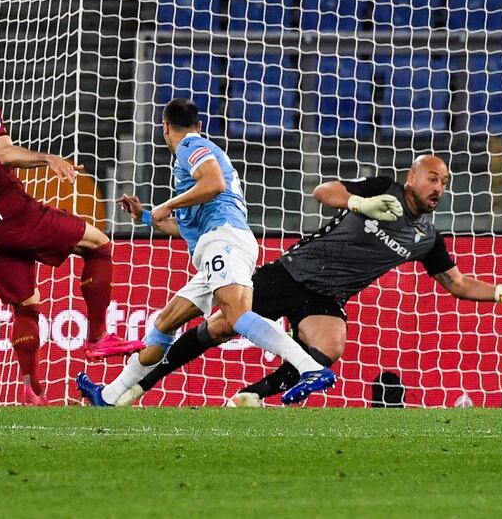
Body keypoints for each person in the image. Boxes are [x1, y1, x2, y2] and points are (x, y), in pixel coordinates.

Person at [112, 155, 502, 407]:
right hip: (292, 272)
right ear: (412, 178)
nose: (439, 186)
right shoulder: (384, 188)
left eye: (445, 182)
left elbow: (456, 283)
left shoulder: (427, 238)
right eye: (432, 178)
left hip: (328, 295)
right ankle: (141, 384)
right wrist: (362, 203)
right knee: (222, 325)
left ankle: (251, 397)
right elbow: (323, 192)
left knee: (331, 345)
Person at [75, 98, 335, 406]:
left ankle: (311, 368)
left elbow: (214, 183)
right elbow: (185, 227)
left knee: (237, 315)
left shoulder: (190, 146)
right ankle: (109, 396)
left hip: (223, 240)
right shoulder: (193, 161)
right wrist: (146, 216)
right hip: (217, 244)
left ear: (165, 127)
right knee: (165, 324)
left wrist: (166, 205)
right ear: (199, 123)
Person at [0, 44, 142, 405]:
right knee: (99, 243)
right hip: (14, 215)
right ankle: (98, 337)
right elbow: (5, 152)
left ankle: (32, 389)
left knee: (26, 305)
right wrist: (48, 159)